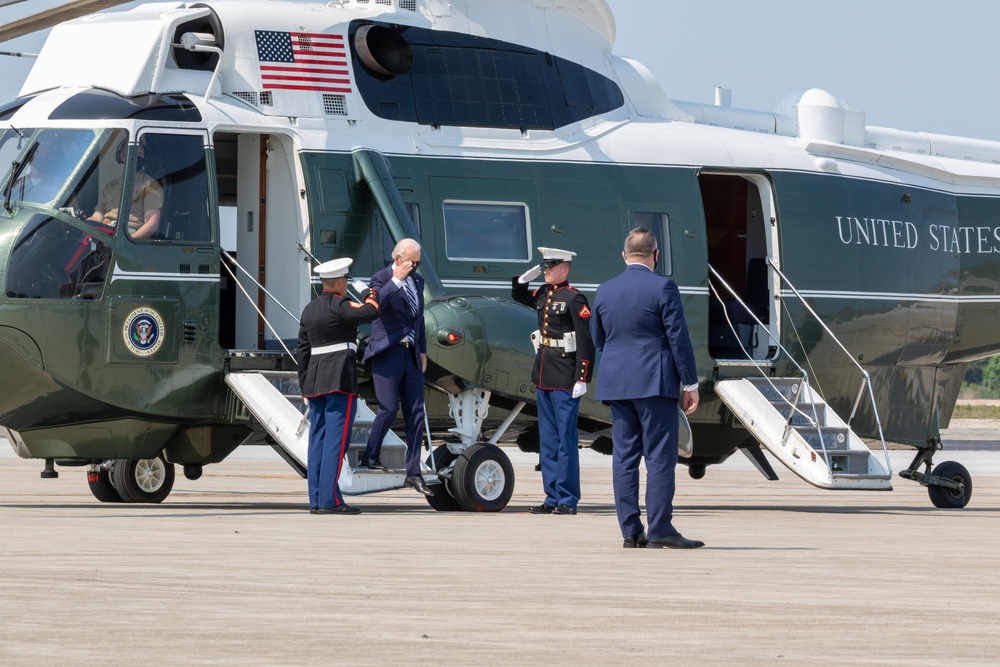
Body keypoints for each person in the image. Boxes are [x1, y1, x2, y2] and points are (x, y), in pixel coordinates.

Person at [590, 228, 704, 549]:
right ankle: (660, 529)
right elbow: (677, 339)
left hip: (617, 385)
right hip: (654, 383)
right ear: (656, 255)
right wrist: (690, 382)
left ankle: (631, 531)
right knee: (659, 458)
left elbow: (599, 340)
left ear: (624, 255)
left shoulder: (606, 290)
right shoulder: (663, 287)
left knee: (624, 457)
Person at [512, 247, 595, 515]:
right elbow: (518, 295)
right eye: (545, 267)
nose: (546, 270)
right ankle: (551, 496)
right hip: (544, 374)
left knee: (565, 440)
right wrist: (525, 278)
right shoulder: (545, 294)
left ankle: (568, 499)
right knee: (547, 440)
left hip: (565, 376)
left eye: (551, 267)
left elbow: (585, 340)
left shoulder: (574, 299)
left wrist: (582, 377)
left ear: (565, 269)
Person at [297, 257, 380, 514]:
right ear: (341, 282)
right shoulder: (340, 304)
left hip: (315, 381)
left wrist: (304, 387)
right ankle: (331, 500)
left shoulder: (309, 309)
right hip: (339, 380)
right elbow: (371, 311)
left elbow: (302, 351)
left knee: (318, 441)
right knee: (336, 441)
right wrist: (369, 293)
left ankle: (317, 500)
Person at [361, 238, 435, 497]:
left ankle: (413, 472)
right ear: (398, 259)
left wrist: (422, 350)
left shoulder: (418, 281)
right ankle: (370, 453)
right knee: (389, 407)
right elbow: (376, 304)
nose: (415, 268)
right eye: (411, 263)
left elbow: (419, 319)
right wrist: (396, 281)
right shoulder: (380, 279)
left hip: (411, 353)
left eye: (417, 263)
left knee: (416, 413)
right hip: (388, 352)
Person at [88, 138, 163, 239]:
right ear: (122, 157)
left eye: (141, 153)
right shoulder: (110, 186)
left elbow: (151, 224)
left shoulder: (151, 186)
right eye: (134, 153)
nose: (138, 156)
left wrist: (127, 242)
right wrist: (87, 224)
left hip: (128, 234)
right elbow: (97, 216)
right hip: (105, 232)